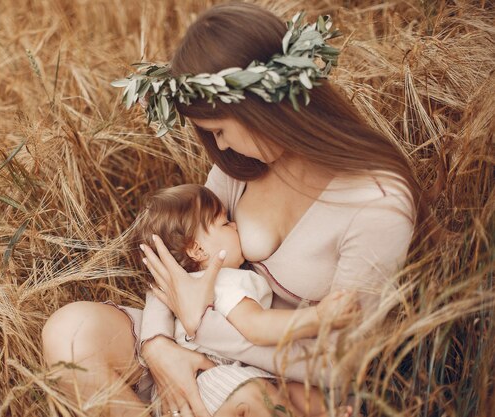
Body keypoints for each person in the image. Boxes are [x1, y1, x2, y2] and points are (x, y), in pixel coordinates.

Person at [42, 3, 424, 417]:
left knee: (252, 403)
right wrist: (159, 347)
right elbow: (176, 268)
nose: (219, 147)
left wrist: (206, 331)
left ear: (257, 106)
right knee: (71, 335)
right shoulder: (243, 166)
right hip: (191, 343)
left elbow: (343, 360)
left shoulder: (376, 203)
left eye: (219, 130)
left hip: (287, 377)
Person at [129, 183, 359, 416]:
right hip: (211, 382)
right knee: (266, 395)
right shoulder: (224, 281)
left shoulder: (186, 287)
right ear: (198, 250)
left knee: (297, 394)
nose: (236, 225)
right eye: (225, 223)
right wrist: (317, 317)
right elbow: (256, 326)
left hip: (196, 386)